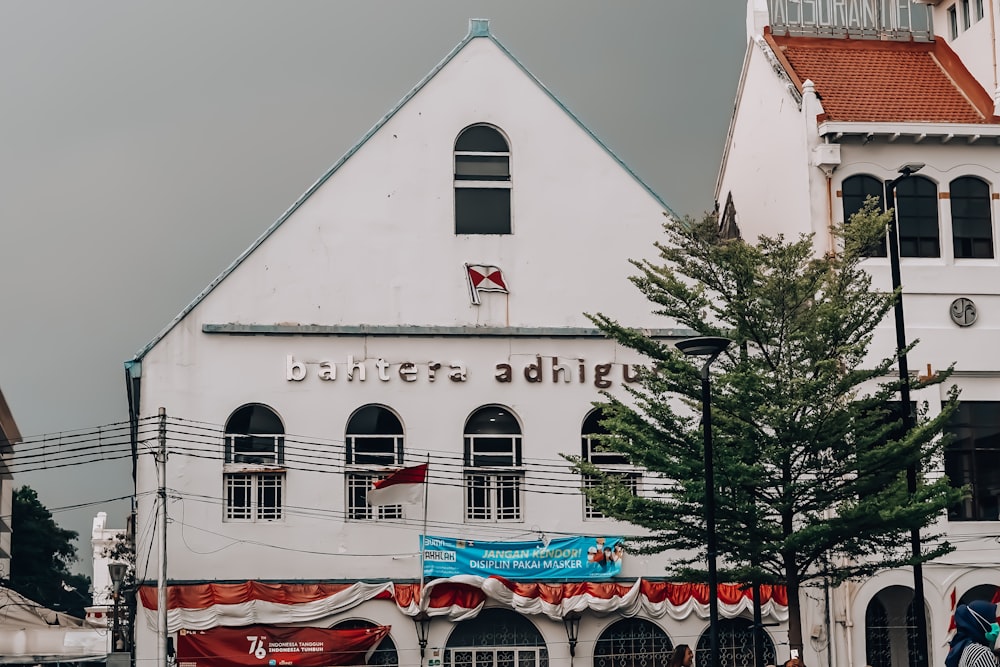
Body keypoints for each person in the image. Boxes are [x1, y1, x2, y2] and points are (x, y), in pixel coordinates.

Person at [946, 600, 1000, 667]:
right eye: (992, 620)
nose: (996, 624)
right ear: (981, 624)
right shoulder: (980, 654)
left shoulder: (966, 650)